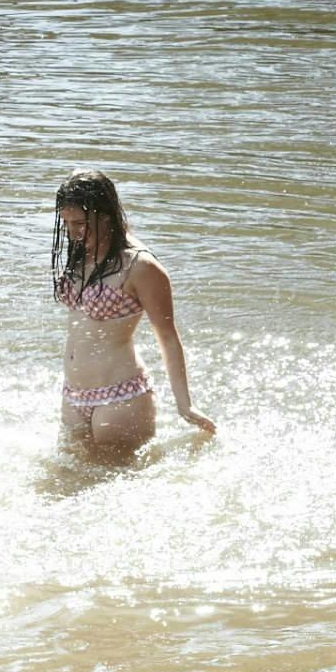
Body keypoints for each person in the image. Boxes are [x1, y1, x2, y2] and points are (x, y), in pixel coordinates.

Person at [52, 170, 214, 458]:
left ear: (105, 215)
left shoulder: (140, 266)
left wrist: (184, 405)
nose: (73, 232)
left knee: (116, 488)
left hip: (120, 398)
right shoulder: (81, 254)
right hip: (73, 396)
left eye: (80, 223)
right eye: (67, 223)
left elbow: (167, 337)